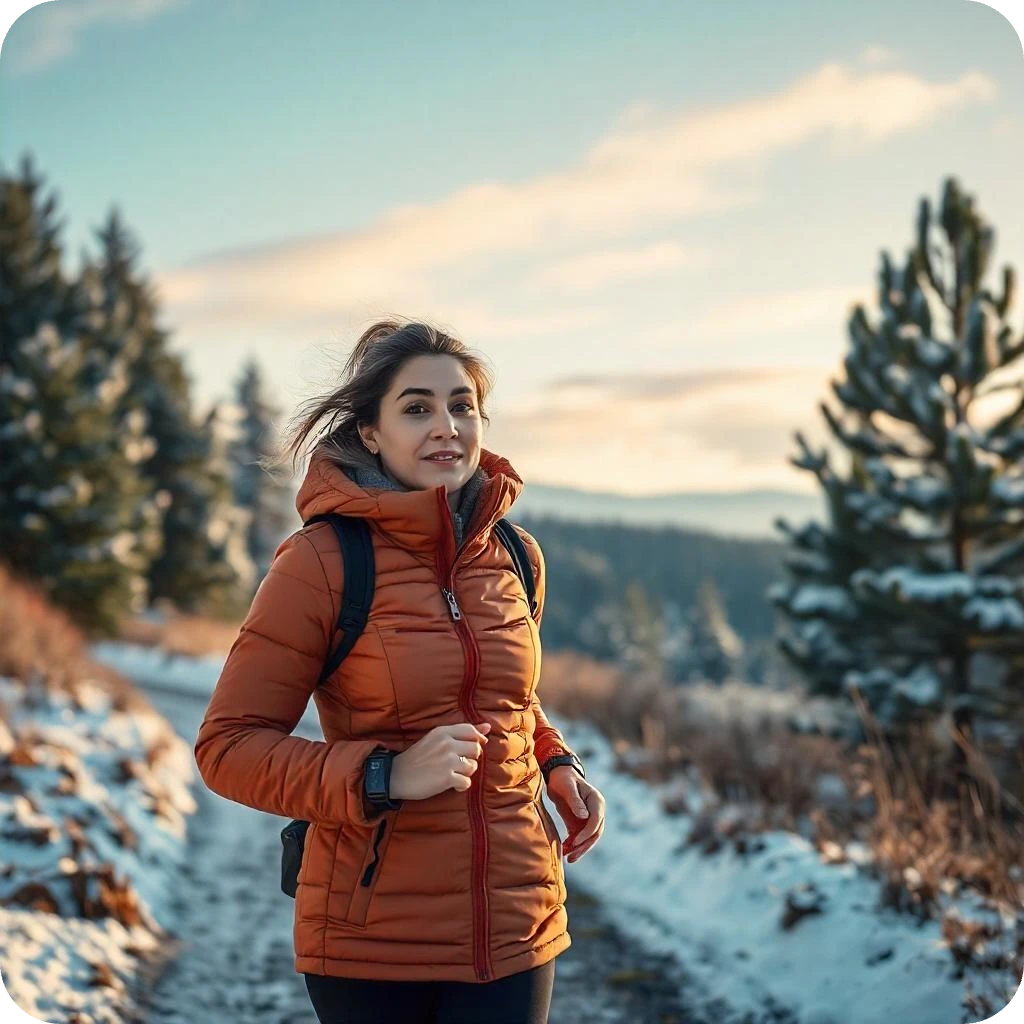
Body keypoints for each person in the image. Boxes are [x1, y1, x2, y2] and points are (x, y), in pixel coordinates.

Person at [193, 319, 606, 1024]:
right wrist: (385, 775)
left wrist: (554, 758)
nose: (446, 426)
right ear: (371, 435)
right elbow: (227, 748)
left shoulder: (512, 551)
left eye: (461, 405)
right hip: (373, 942)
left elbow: (507, 698)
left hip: (517, 924)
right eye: (416, 408)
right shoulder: (323, 562)